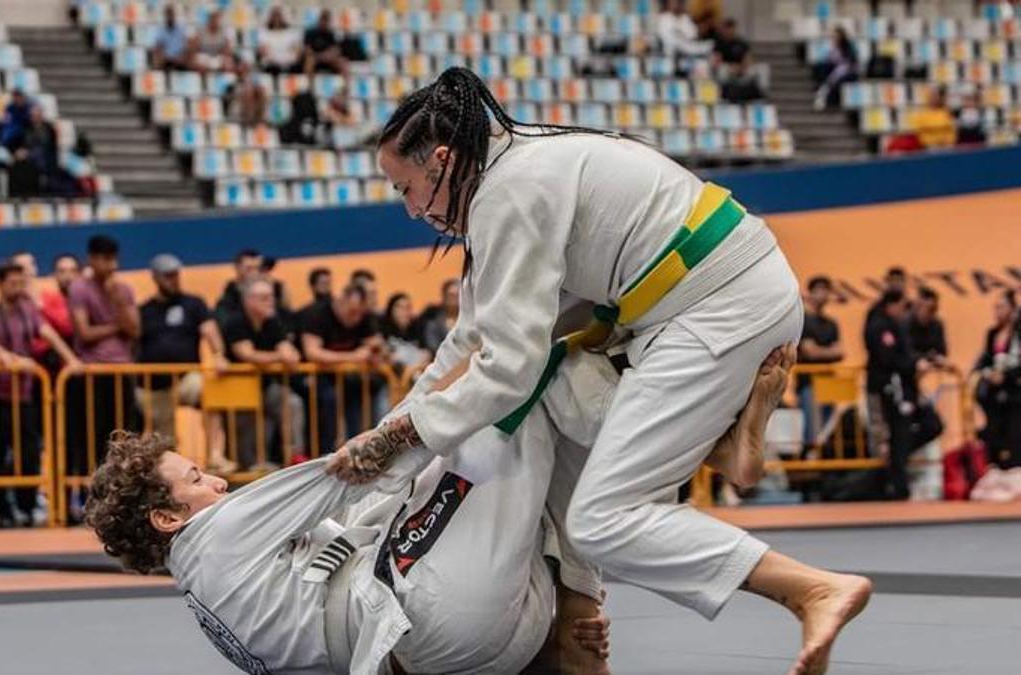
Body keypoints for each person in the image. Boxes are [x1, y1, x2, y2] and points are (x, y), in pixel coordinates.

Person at [329, 67, 871, 674]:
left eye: (405, 189)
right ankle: (710, 453)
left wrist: (398, 439)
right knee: (557, 394)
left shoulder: (509, 192)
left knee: (603, 519)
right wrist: (388, 430)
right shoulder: (514, 163)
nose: (410, 211)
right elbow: (466, 346)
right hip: (695, 302)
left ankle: (809, 588)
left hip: (716, 308)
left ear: (441, 160)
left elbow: (505, 371)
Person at [85, 393, 612, 673]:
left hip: (442, 655)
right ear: (168, 518)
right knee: (520, 397)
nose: (219, 480)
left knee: (523, 446)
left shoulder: (212, 603)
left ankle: (562, 625)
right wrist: (447, 386)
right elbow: (359, 469)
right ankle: (579, 604)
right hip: (434, 613)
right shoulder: (221, 530)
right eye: (196, 478)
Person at [0, 261, 79, 527]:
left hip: (24, 395)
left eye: (21, 283)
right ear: (0, 285)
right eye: (12, 283)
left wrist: (72, 360)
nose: (18, 288)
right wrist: (8, 358)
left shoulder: (28, 312)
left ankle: (25, 505)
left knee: (30, 453)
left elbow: (50, 335)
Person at [65, 235, 140, 521]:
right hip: (93, 372)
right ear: (92, 259)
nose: (111, 266)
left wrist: (117, 303)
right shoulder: (79, 288)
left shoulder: (122, 289)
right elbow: (84, 332)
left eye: (113, 259)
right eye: (105, 259)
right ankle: (92, 499)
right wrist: (115, 326)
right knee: (93, 439)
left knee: (124, 438)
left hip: (122, 371)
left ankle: (121, 498)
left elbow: (133, 329)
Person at [136, 254, 232, 474]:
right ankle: (175, 476)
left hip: (186, 378)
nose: (174, 280)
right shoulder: (145, 311)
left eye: (176, 275)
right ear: (156, 278)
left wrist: (218, 353)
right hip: (155, 385)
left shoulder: (193, 304)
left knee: (210, 392)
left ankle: (216, 455)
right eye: (168, 276)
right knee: (165, 439)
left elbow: (209, 330)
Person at [223, 278, 306, 469]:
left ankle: (295, 456)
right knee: (247, 432)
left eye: (271, 297)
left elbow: (291, 355)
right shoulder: (236, 321)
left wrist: (286, 355)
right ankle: (246, 470)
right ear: (249, 300)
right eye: (264, 298)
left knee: (292, 403)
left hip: (265, 386)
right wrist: (280, 356)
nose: (271, 301)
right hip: (238, 389)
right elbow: (247, 354)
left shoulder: (272, 321)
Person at [301, 284, 386, 455]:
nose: (355, 318)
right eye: (352, 312)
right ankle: (324, 454)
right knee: (328, 400)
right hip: (315, 375)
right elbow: (312, 353)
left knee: (359, 396)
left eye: (360, 313)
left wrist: (376, 351)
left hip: (347, 377)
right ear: (341, 301)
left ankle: (358, 451)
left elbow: (377, 345)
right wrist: (353, 357)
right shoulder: (317, 314)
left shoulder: (364, 316)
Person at [864, 288, 926, 500]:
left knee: (905, 435)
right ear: (891, 305)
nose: (904, 311)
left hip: (901, 388)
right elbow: (888, 358)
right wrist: (913, 364)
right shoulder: (880, 325)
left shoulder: (896, 325)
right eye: (901, 306)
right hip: (888, 389)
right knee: (889, 437)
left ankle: (896, 478)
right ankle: (892, 485)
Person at [974, 290, 1020, 469]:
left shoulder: (1018, 333)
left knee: (1015, 436)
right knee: (993, 435)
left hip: (1015, 393)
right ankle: (996, 471)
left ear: (1012, 309)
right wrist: (987, 373)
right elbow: (984, 360)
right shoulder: (992, 333)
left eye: (1002, 307)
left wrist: (1006, 375)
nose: (997, 311)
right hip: (994, 395)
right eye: (996, 307)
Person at [797, 276, 845, 446]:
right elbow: (809, 352)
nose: (824, 294)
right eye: (819, 290)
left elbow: (841, 352)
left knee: (828, 430)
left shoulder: (831, 324)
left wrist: (820, 351)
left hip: (828, 382)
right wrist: (829, 352)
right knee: (812, 432)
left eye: (826, 290)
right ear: (810, 293)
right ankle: (809, 464)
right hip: (808, 383)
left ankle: (821, 464)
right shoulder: (803, 319)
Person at [813, 27, 859, 110]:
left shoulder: (849, 46)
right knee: (822, 69)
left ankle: (827, 98)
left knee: (836, 78)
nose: (835, 38)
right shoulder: (833, 47)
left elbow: (851, 62)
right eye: (833, 36)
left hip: (849, 70)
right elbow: (830, 59)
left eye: (836, 36)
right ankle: (822, 93)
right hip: (837, 69)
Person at [381, 292, 429, 370]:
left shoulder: (417, 328)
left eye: (407, 308)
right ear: (391, 310)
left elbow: (426, 352)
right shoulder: (383, 329)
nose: (404, 312)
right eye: (399, 307)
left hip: (415, 370)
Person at [908, 286, 949, 368]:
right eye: (927, 309)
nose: (929, 313)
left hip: (931, 366)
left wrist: (939, 357)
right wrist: (926, 357)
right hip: (909, 367)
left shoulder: (937, 325)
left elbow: (943, 350)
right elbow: (906, 352)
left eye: (933, 310)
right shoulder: (905, 323)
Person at [257, 6, 304, 75]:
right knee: (271, 68)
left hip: (289, 62)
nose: (276, 18)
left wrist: (288, 60)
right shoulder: (264, 32)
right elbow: (264, 50)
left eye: (278, 15)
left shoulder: (291, 32)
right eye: (274, 15)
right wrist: (275, 60)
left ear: (283, 17)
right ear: (270, 17)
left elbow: (297, 50)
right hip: (272, 63)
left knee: (297, 67)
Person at [303, 9, 349, 77]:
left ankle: (346, 86)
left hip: (328, 59)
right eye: (323, 19)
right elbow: (307, 49)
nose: (324, 22)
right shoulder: (310, 32)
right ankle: (310, 86)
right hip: (315, 57)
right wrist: (318, 56)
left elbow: (336, 49)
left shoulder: (331, 33)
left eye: (326, 20)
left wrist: (328, 55)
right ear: (319, 20)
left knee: (343, 62)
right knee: (309, 61)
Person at [908, 86, 956, 150]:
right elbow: (919, 132)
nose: (934, 98)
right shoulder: (921, 114)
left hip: (947, 146)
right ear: (927, 98)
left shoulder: (946, 112)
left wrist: (949, 142)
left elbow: (952, 130)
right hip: (929, 146)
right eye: (932, 96)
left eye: (936, 96)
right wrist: (932, 141)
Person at [223, 61, 269, 128]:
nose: (243, 74)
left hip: (251, 110)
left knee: (260, 90)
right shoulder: (231, 85)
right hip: (236, 110)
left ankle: (259, 119)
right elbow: (227, 101)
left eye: (245, 71)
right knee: (248, 92)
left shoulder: (252, 84)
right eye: (240, 72)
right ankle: (251, 121)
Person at [422, 278, 459, 354]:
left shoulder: (470, 318)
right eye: (451, 295)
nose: (454, 300)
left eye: (457, 295)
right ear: (444, 296)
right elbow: (433, 345)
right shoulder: (434, 320)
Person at [152, 5, 191, 71]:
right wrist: (164, 57)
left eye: (171, 14)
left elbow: (186, 47)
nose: (170, 16)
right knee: (158, 63)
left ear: (174, 15)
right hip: (166, 60)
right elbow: (158, 47)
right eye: (168, 14)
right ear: (165, 15)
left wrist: (181, 57)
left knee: (187, 62)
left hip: (179, 60)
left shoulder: (181, 29)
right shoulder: (160, 30)